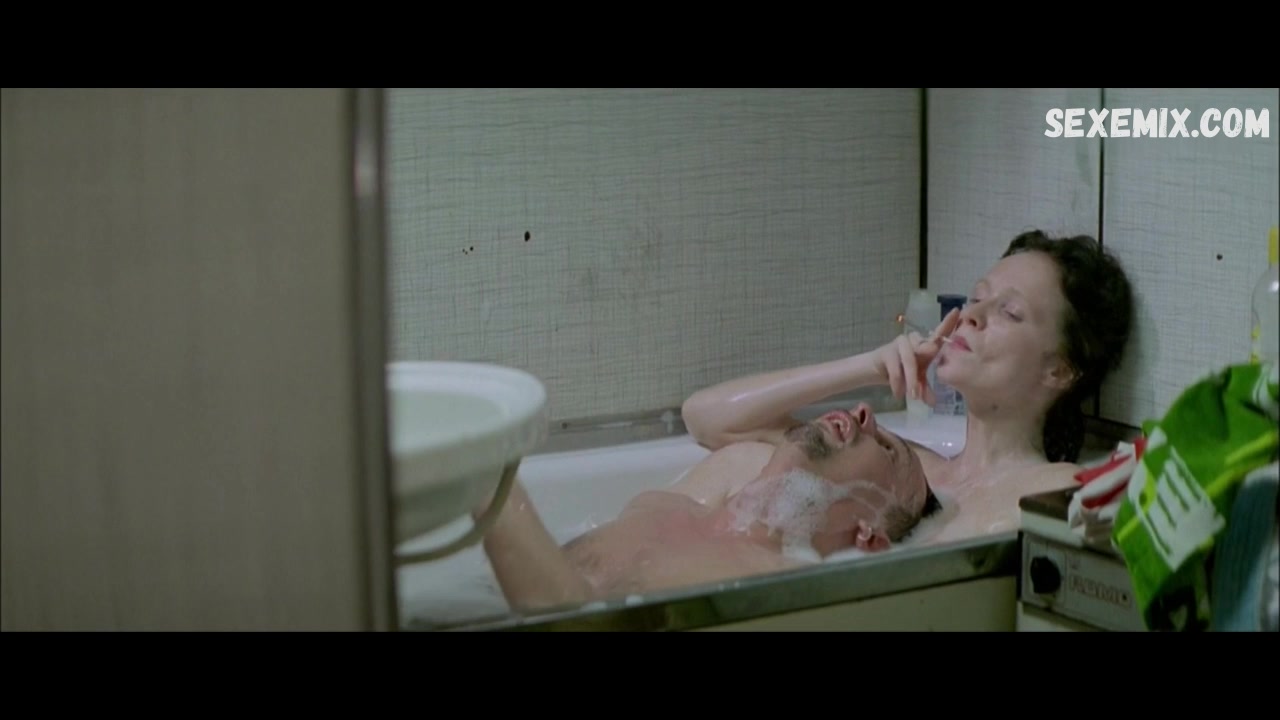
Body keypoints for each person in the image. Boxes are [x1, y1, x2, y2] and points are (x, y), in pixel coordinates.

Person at [682, 229, 1135, 544]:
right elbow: (706, 419)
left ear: (1059, 371)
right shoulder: (898, 467)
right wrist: (867, 367)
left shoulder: (1053, 488)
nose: (971, 315)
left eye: (1009, 313)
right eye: (977, 298)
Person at [473, 402, 941, 612]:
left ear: (868, 534)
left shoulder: (770, 592)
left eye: (887, 448)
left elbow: (573, 627)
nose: (864, 412)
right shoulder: (665, 503)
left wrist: (483, 477)